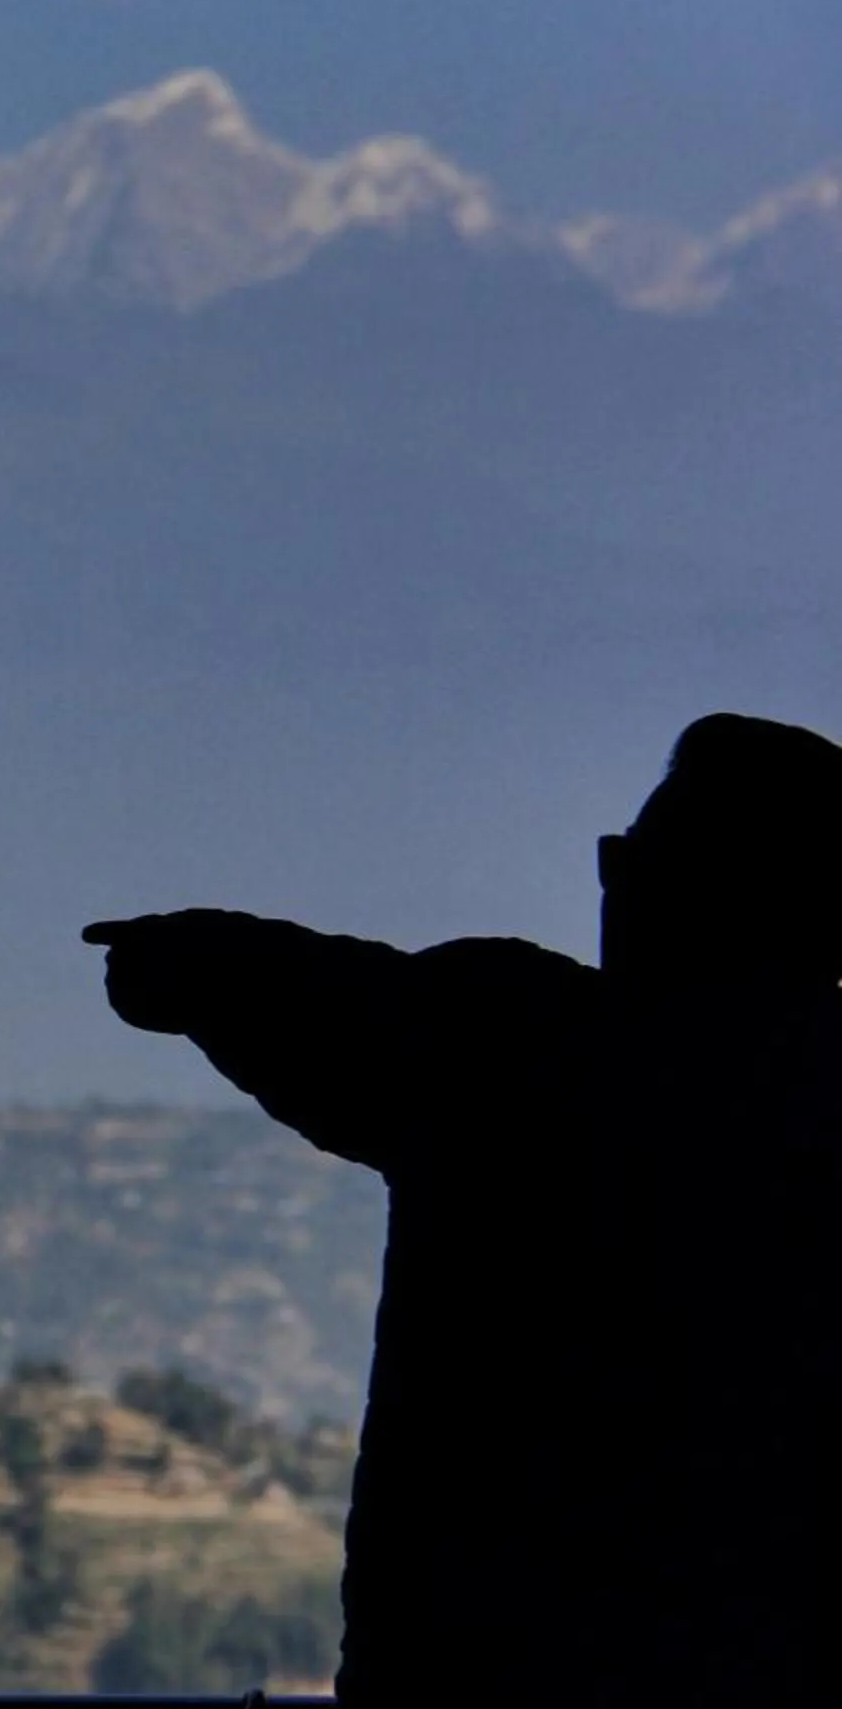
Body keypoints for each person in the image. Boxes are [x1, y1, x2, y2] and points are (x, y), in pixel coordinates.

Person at [86, 713, 842, 1705]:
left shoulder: (509, 1047)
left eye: (630, 859)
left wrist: (170, 959)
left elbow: (297, 993)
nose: (611, 882)